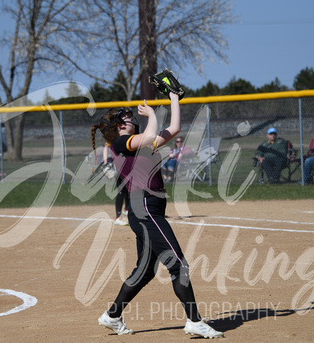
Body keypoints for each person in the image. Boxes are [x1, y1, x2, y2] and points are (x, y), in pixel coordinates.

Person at [91, 95, 223, 338]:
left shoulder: (141, 144)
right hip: (144, 210)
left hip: (149, 209)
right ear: (119, 126)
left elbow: (174, 128)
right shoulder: (120, 144)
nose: (132, 117)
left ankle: (112, 315)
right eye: (127, 117)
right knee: (179, 264)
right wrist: (151, 115)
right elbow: (151, 134)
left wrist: (174, 98)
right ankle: (194, 321)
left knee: (145, 271)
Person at [103, 142, 130, 226]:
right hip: (119, 163)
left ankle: (126, 210)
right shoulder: (116, 134)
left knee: (129, 188)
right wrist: (106, 162)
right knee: (121, 189)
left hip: (129, 163)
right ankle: (117, 217)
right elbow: (106, 146)